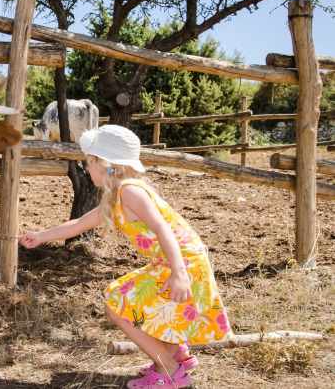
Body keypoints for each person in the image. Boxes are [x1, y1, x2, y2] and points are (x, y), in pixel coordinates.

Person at [20, 125, 230, 389]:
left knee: (116, 302)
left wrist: (178, 273)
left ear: (104, 163)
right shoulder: (115, 197)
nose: (87, 168)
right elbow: (80, 224)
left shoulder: (130, 191)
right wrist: (40, 236)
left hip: (182, 261)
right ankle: (173, 354)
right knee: (152, 308)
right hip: (174, 260)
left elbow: (163, 229)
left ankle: (171, 370)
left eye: (89, 162)